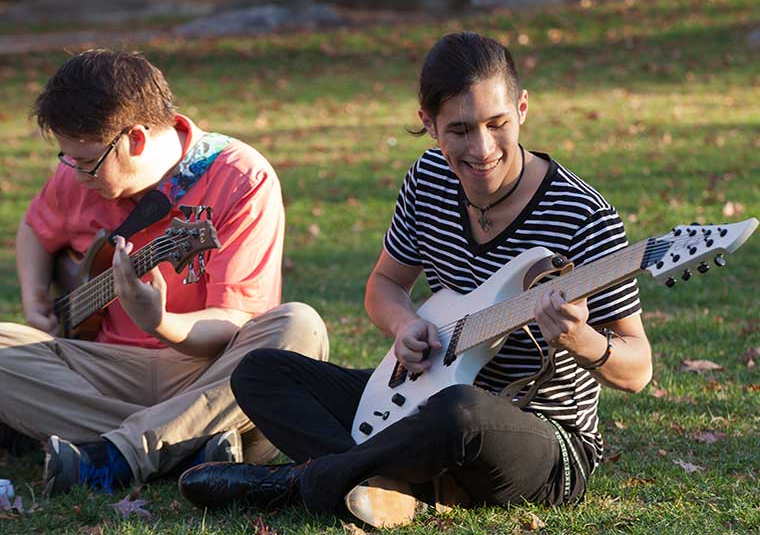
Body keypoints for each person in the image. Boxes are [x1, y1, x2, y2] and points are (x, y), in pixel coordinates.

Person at [178, 32, 652, 527]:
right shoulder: (428, 180)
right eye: (460, 130)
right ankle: (397, 486)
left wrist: (580, 337)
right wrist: (404, 324)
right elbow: (384, 285)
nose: (482, 148)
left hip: (537, 438)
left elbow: (637, 370)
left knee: (460, 413)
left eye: (498, 124)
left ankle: (303, 482)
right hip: (417, 399)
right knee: (260, 372)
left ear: (524, 108)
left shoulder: (583, 215)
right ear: (428, 123)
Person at [0, 49, 329, 496]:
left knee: (299, 327)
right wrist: (35, 298)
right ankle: (188, 445)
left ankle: (117, 455)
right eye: (67, 158)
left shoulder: (240, 177)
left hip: (207, 372)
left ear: (135, 138)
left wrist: (160, 321)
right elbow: (34, 228)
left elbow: (234, 321)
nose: (75, 175)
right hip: (107, 374)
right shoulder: (78, 170)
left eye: (86, 162)